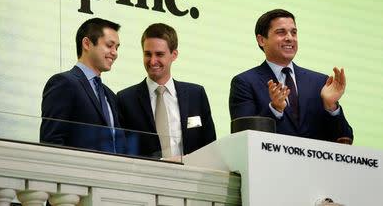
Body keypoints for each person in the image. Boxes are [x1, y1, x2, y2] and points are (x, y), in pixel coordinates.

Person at [229, 9, 353, 143]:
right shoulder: (245, 82)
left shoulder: (319, 82)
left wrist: (331, 107)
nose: (290, 38)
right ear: (261, 40)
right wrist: (274, 109)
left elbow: (345, 138)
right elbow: (242, 138)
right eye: (281, 32)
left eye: (293, 33)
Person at [117, 23, 216, 159]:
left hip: (191, 177)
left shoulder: (196, 95)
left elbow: (210, 145)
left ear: (174, 55)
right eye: (147, 54)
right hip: (144, 177)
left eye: (159, 54)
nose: (152, 61)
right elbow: (122, 151)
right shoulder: (126, 99)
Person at [40, 18, 124, 153]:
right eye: (109, 45)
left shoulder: (110, 96)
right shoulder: (63, 83)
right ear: (86, 44)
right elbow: (52, 142)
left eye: (117, 47)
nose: (115, 53)